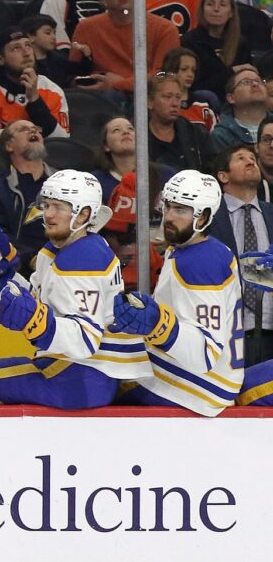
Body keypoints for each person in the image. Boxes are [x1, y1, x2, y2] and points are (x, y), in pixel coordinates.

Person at [0, 169, 151, 407]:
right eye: (47, 205)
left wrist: (38, 322)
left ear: (84, 215)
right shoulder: (59, 250)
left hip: (81, 377)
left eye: (59, 207)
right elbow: (36, 302)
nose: (48, 214)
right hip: (72, 372)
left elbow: (84, 338)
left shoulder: (84, 256)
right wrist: (1, 274)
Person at [108, 170, 243, 415]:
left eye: (180, 210)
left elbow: (205, 353)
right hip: (202, 379)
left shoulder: (201, 263)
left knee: (100, 377)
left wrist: (157, 324)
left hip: (197, 388)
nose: (168, 216)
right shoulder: (191, 247)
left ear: (203, 218)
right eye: (168, 206)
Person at [70, 0, 181, 103]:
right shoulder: (86, 28)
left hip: (151, 98)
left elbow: (164, 75)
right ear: (103, 0)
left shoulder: (166, 29)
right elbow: (73, 75)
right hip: (102, 98)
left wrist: (118, 84)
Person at [207, 145, 273, 362]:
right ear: (223, 176)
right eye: (241, 158)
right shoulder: (208, 220)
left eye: (253, 158)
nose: (251, 161)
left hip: (270, 331)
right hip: (226, 331)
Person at [0, 120, 53, 276]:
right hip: (17, 268)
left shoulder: (65, 181)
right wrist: (31, 258)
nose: (33, 131)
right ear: (9, 145)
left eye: (35, 128)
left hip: (62, 266)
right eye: (23, 129)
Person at [0, 26, 70, 145]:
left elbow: (61, 141)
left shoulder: (53, 90)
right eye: (16, 48)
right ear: (0, 59)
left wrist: (35, 101)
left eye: (28, 45)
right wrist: (35, 135)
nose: (26, 53)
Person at [181, 0, 254, 104]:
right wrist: (232, 71)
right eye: (210, 4)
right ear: (202, 10)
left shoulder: (241, 43)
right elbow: (197, 84)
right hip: (203, 102)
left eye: (222, 5)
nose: (216, 9)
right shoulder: (190, 41)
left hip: (236, 102)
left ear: (231, 13)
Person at [148, 71, 209, 171]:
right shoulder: (136, 137)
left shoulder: (196, 133)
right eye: (168, 97)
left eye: (178, 97)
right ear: (150, 102)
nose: (175, 103)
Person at [21, 12, 89, 89]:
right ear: (31, 37)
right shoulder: (23, 63)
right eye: (48, 33)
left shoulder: (58, 58)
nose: (53, 37)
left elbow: (81, 70)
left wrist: (86, 55)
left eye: (54, 33)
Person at [209, 70, 271, 153]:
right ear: (231, 98)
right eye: (246, 82)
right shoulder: (222, 135)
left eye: (259, 81)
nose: (255, 84)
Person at [161, 47, 218, 129]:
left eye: (193, 70)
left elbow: (213, 136)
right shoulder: (161, 104)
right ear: (171, 71)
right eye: (184, 69)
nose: (190, 74)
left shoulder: (203, 105)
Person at [91, 116, 137, 199]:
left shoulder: (161, 175)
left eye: (130, 129)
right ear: (106, 145)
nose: (126, 132)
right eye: (116, 130)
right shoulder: (94, 182)